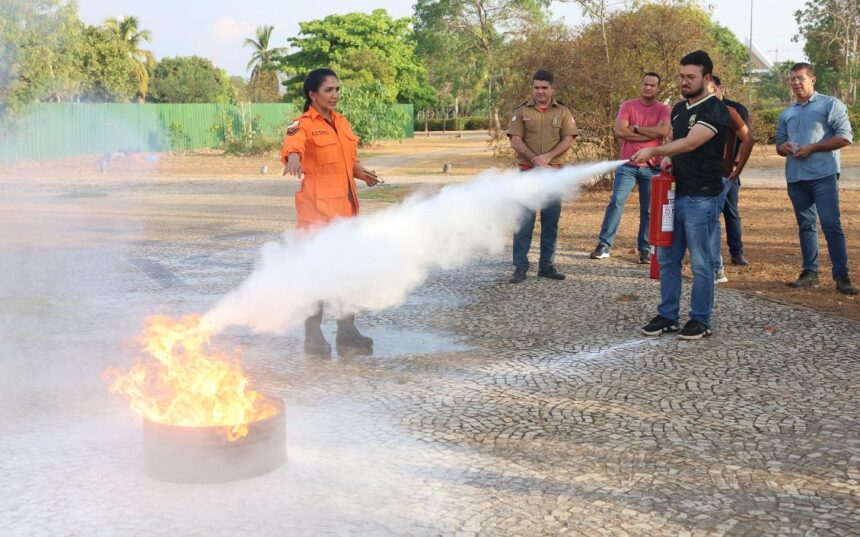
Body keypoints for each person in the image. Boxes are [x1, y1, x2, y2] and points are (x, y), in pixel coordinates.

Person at [630, 50, 731, 340]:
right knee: (668, 259)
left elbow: (690, 143)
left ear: (707, 78)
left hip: (702, 197)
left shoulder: (715, 109)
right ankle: (668, 315)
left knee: (701, 262)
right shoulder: (677, 108)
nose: (684, 81)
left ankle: (700, 319)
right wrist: (668, 159)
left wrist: (654, 150)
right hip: (674, 196)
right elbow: (678, 143)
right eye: (681, 76)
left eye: (691, 77)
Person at [281, 68, 381, 355]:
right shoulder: (301, 124)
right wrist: (295, 159)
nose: (335, 95)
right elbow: (293, 145)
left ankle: (347, 332)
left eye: (337, 89)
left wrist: (363, 173)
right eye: (328, 90)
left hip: (345, 213)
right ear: (312, 94)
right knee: (317, 275)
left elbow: (349, 161)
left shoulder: (342, 123)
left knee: (346, 273)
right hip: (316, 216)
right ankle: (312, 336)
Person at [776, 62, 857, 295]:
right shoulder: (787, 113)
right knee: (806, 225)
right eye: (792, 79)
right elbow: (779, 146)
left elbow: (845, 137)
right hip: (796, 177)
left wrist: (812, 147)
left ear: (813, 79)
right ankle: (810, 273)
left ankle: (841, 276)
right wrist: (786, 147)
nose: (795, 83)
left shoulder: (830, 104)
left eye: (800, 78)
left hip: (823, 175)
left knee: (831, 224)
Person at [507, 70, 580, 284]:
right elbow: (515, 140)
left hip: (553, 174)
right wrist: (535, 160)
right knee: (524, 221)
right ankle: (520, 267)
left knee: (550, 222)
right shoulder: (521, 111)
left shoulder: (563, 111)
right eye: (536, 87)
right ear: (533, 88)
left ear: (552, 89)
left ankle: (546, 265)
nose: (540, 91)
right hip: (527, 174)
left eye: (544, 87)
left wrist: (547, 158)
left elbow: (568, 139)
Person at [590, 72, 670, 264]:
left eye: (652, 85)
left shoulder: (664, 109)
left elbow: (664, 131)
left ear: (658, 88)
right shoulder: (628, 105)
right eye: (645, 84)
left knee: (649, 210)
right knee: (616, 202)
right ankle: (604, 245)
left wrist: (636, 129)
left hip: (652, 166)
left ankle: (644, 250)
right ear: (641, 85)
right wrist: (649, 136)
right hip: (627, 165)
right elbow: (619, 131)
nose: (648, 88)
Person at [707, 76, 754, 284]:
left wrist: (736, 166)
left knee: (731, 212)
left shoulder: (734, 109)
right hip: (708, 173)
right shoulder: (699, 109)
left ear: (719, 88)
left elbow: (746, 137)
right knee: (711, 215)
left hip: (729, 172)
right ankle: (710, 261)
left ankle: (737, 253)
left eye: (711, 89)